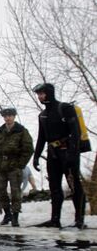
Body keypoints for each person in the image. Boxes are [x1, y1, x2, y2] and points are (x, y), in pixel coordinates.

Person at [32, 83, 86, 229]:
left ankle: (79, 220)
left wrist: (72, 154)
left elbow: (75, 133)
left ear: (49, 92)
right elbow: (41, 137)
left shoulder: (65, 108)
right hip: (53, 154)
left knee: (74, 185)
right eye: (38, 94)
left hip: (68, 151)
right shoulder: (42, 115)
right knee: (54, 187)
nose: (40, 97)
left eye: (42, 93)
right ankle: (55, 219)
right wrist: (36, 156)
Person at [0, 108, 34, 227]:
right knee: (0, 191)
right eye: (5, 116)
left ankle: (15, 216)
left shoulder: (21, 131)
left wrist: (20, 164)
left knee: (15, 192)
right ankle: (7, 213)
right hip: (1, 166)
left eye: (10, 115)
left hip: (15, 166)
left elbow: (28, 149)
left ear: (14, 116)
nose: (7, 118)